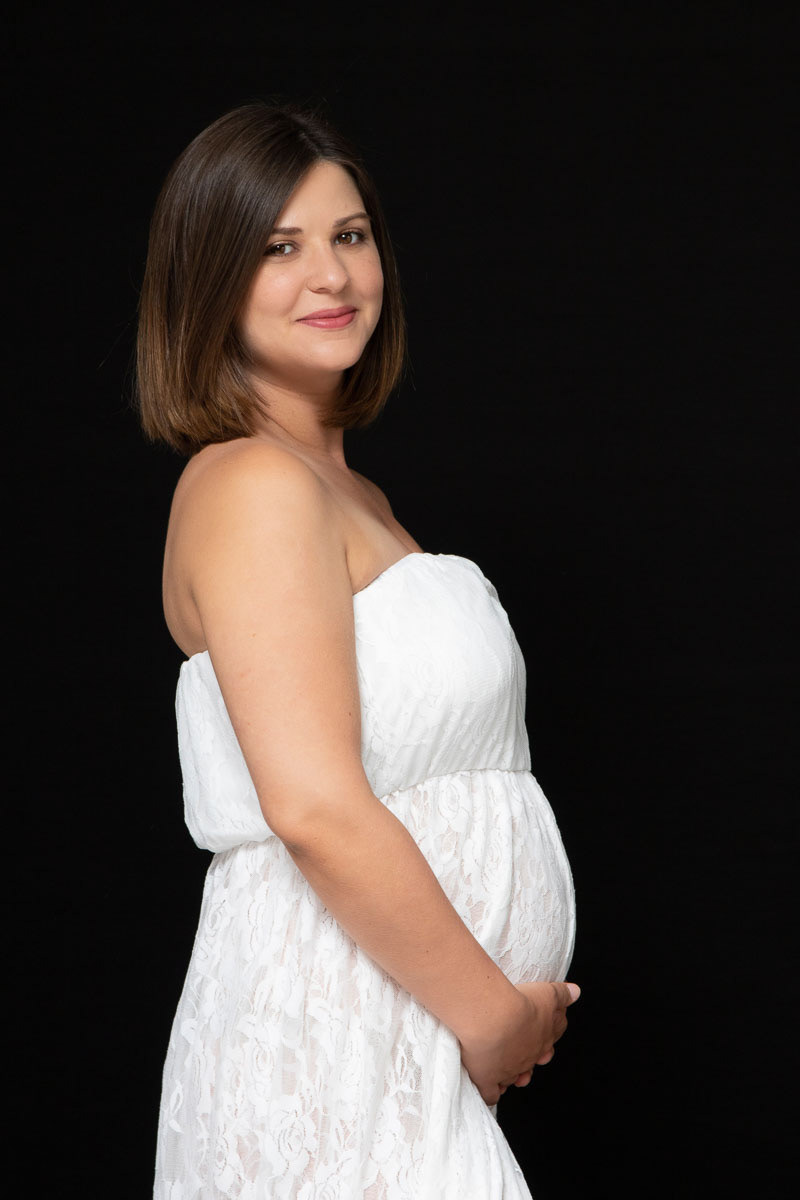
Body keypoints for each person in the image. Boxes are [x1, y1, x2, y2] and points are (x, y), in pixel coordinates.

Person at [137, 101, 578, 1199]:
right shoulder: (251, 484)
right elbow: (313, 806)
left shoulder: (349, 493)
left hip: (393, 1041)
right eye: (277, 248)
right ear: (209, 280)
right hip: (331, 1043)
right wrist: (493, 1018)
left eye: (349, 235)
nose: (330, 276)